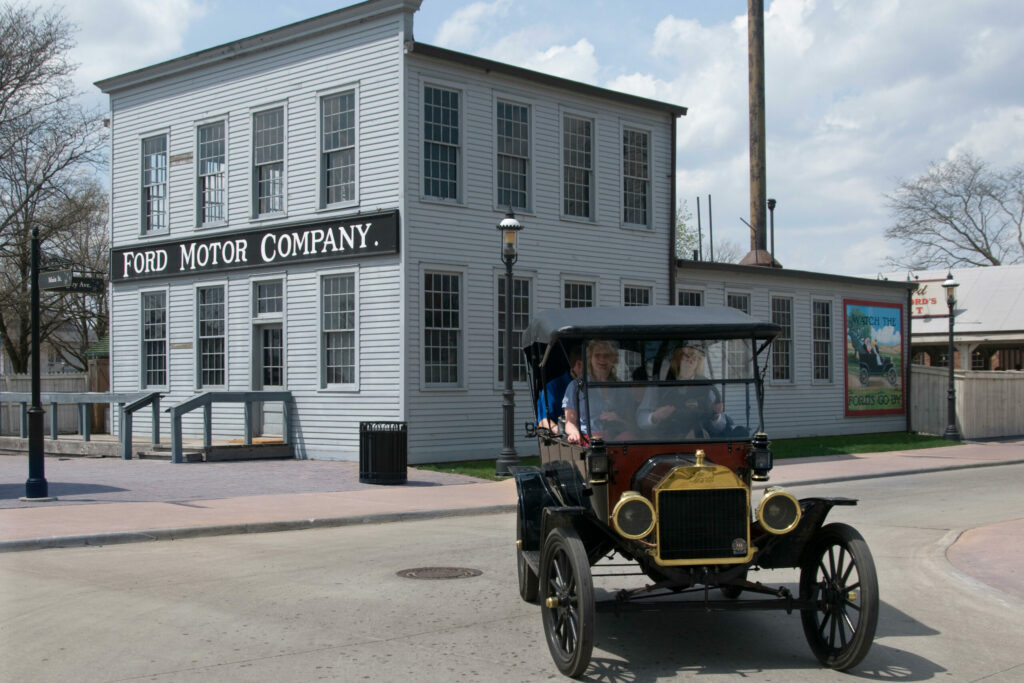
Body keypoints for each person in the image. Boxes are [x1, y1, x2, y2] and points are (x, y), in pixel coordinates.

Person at [636, 343, 727, 437]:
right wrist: (655, 416)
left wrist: (716, 414)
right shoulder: (659, 384)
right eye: (685, 357)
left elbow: (721, 426)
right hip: (667, 439)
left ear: (698, 362)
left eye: (694, 358)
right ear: (676, 360)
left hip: (700, 440)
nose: (690, 361)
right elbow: (641, 420)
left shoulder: (707, 386)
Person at [563, 339, 635, 444]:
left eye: (606, 356)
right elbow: (570, 422)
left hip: (618, 439)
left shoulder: (621, 387)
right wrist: (574, 433)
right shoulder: (576, 386)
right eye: (597, 355)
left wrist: (618, 419)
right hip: (588, 439)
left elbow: (633, 425)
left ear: (613, 359)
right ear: (590, 359)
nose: (602, 359)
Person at [535, 347, 582, 433]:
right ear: (579, 365)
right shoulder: (552, 388)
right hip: (567, 442)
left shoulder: (595, 386)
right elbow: (544, 421)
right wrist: (563, 433)